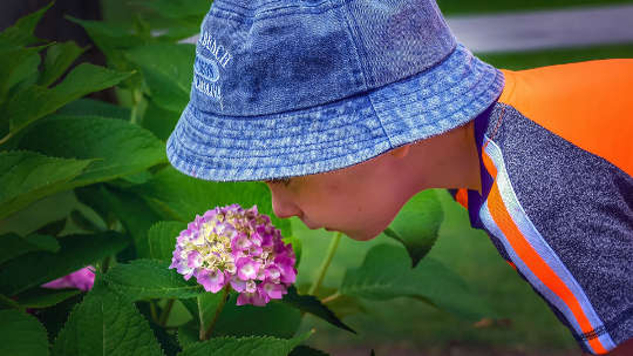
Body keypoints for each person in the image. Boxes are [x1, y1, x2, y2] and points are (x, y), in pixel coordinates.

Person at [165, 0, 632, 354]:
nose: (280, 209)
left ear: (394, 131)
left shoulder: (535, 191)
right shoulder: (503, 143)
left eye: (286, 174)